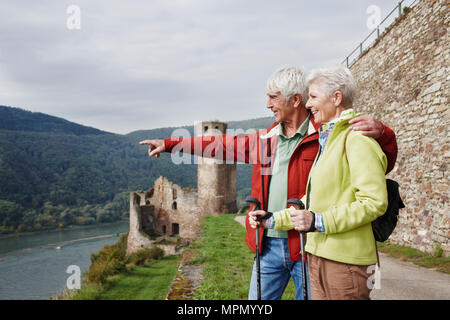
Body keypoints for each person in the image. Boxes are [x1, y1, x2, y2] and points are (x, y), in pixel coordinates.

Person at [139, 66, 398, 300]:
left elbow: (379, 162)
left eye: (273, 97)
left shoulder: (327, 135)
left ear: (295, 100)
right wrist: (171, 144)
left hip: (309, 245)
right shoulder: (265, 140)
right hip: (268, 243)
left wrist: (384, 133)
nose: (267, 104)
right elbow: (219, 145)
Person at [251, 65, 389, 300]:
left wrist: (319, 220)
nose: (308, 104)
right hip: (320, 255)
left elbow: (375, 202)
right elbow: (311, 202)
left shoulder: (357, 140)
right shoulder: (329, 140)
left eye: (313, 97)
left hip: (347, 262)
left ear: (336, 98)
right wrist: (273, 219)